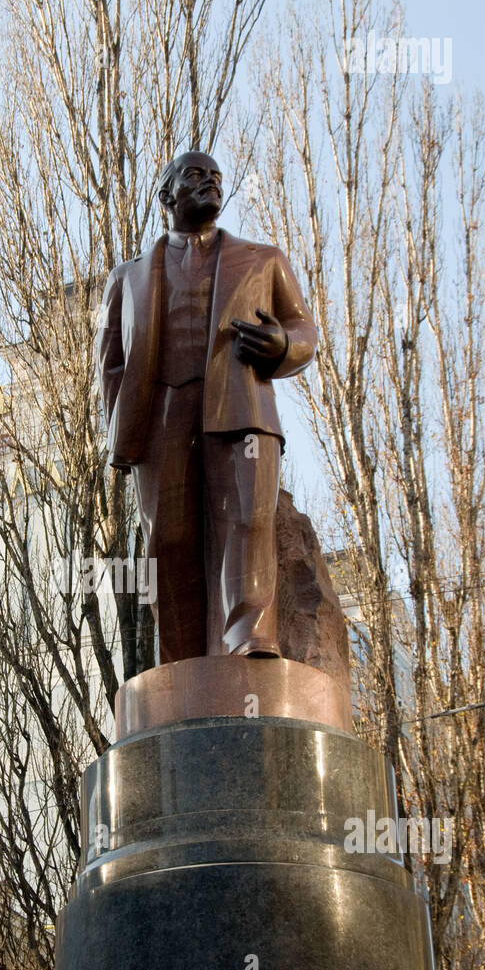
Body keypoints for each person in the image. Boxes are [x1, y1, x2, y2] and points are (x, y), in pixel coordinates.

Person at [97, 151, 318, 662]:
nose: (210, 185)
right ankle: (179, 663)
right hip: (162, 417)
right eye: (195, 176)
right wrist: (121, 435)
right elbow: (111, 362)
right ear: (166, 196)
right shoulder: (128, 278)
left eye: (217, 178)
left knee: (247, 517)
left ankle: (250, 638)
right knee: (168, 542)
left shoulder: (263, 260)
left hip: (241, 408)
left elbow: (305, 330)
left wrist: (283, 345)